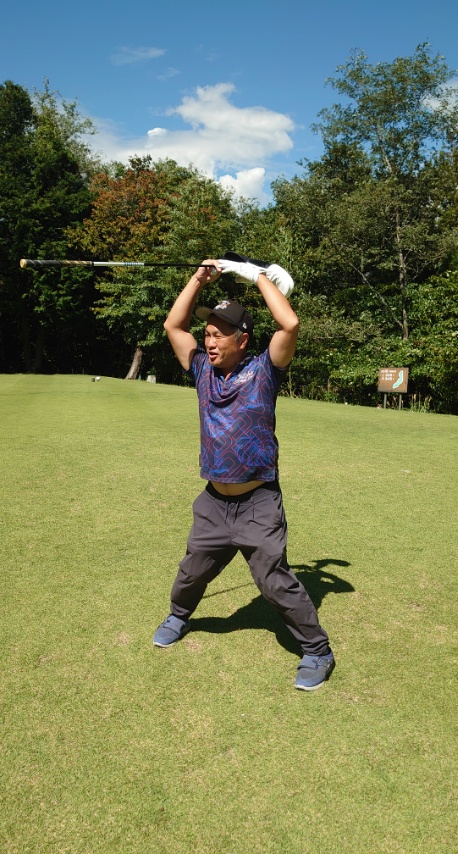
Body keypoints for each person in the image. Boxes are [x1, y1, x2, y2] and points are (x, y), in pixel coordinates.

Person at [153, 257, 335, 691]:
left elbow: (289, 324)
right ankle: (179, 616)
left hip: (258, 503)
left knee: (273, 581)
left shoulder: (265, 371)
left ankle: (317, 651)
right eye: (207, 334)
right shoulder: (202, 371)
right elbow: (173, 326)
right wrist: (198, 279)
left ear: (243, 339)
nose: (209, 342)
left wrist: (255, 275)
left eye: (219, 335)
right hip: (214, 503)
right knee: (193, 571)